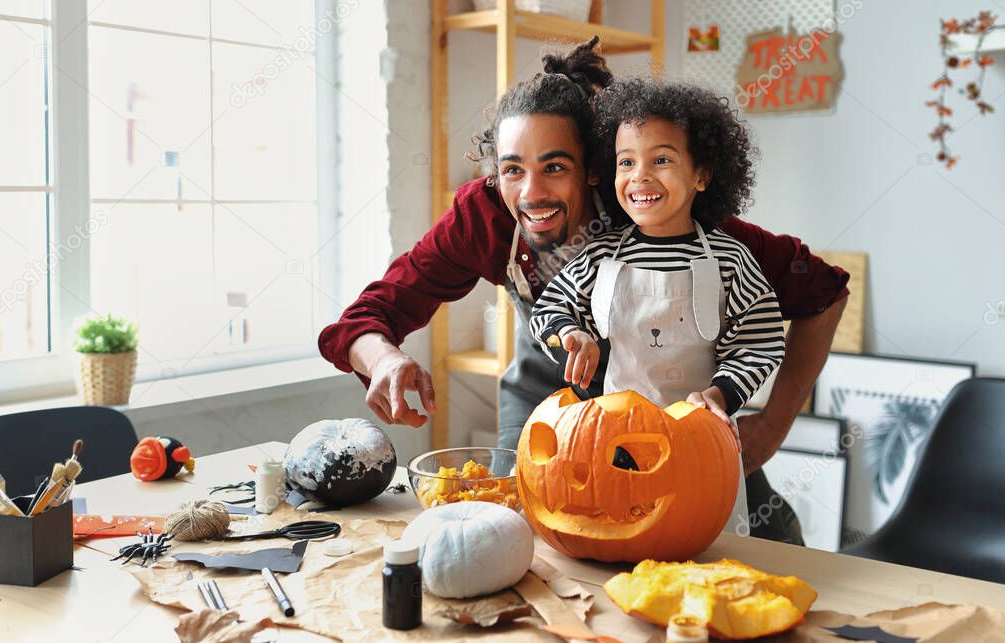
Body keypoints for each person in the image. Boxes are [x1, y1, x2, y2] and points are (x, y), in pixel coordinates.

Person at [319, 38, 849, 544]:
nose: (531, 193)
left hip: (676, 411)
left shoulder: (660, 211)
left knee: (744, 534)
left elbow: (824, 293)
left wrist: (773, 425)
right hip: (546, 403)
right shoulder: (483, 215)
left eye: (555, 167)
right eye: (512, 170)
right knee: (519, 532)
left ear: (595, 170)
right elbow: (364, 320)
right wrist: (384, 359)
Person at [530, 78, 784, 425]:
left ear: (702, 174)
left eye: (661, 159)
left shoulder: (731, 260)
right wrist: (571, 333)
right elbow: (548, 308)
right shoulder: (600, 256)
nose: (640, 176)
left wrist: (718, 395)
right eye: (626, 162)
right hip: (615, 438)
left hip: (700, 435)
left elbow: (759, 344)